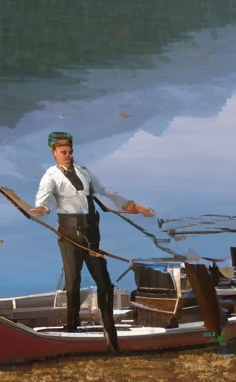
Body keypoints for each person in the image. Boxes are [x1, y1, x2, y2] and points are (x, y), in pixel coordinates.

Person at [30, 131, 153, 349]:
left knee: (104, 283)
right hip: (69, 236)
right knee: (73, 281)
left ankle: (109, 330)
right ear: (54, 153)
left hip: (91, 234)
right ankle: (71, 328)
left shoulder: (84, 172)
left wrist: (135, 207)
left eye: (70, 151)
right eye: (63, 152)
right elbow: (44, 199)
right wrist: (41, 208)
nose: (68, 155)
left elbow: (108, 192)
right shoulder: (50, 176)